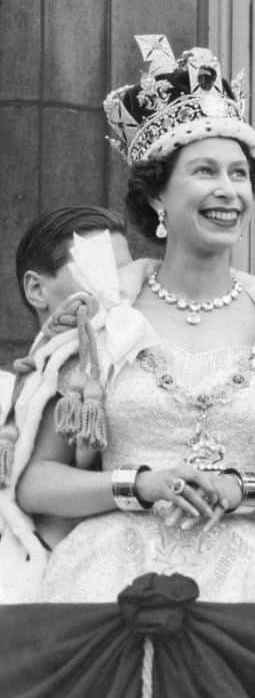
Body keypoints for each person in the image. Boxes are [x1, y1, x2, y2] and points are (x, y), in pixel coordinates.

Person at [0, 34, 255, 604]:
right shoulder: (104, 320)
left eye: (239, 175)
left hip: (249, 585)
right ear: (158, 195)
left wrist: (244, 490)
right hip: (105, 583)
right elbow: (38, 482)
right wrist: (137, 485)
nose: (228, 191)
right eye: (205, 171)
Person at [1, 206, 133, 564]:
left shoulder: (138, 384)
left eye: (124, 272)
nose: (117, 287)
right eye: (96, 270)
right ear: (36, 289)